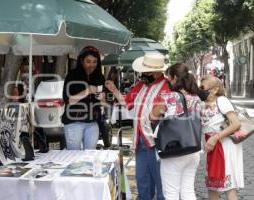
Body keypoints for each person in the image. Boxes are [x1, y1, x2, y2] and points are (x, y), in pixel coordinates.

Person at [105, 52, 169, 200]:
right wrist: (114, 90)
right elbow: (127, 102)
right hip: (140, 140)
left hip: (157, 142)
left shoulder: (166, 86)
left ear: (156, 71)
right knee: (142, 181)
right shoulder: (141, 84)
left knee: (161, 183)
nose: (142, 73)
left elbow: (161, 113)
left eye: (145, 70)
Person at [149, 63, 202, 200]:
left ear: (174, 78)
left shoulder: (170, 97)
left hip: (175, 149)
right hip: (193, 148)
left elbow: (153, 116)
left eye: (169, 78)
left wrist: (160, 101)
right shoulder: (196, 97)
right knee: (188, 191)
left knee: (171, 193)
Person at [199, 75, 243, 200]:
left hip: (225, 146)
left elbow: (236, 124)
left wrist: (215, 138)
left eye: (203, 87)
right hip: (210, 146)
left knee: (229, 184)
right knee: (211, 184)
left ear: (215, 89)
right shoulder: (202, 103)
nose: (200, 90)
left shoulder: (222, 100)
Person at [62, 46, 105, 150]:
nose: (92, 65)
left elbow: (103, 105)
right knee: (73, 156)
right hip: (73, 122)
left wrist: (103, 98)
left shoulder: (99, 77)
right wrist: (87, 91)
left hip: (93, 123)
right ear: (81, 61)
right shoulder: (72, 76)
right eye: (88, 61)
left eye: (95, 62)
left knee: (90, 156)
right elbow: (68, 100)